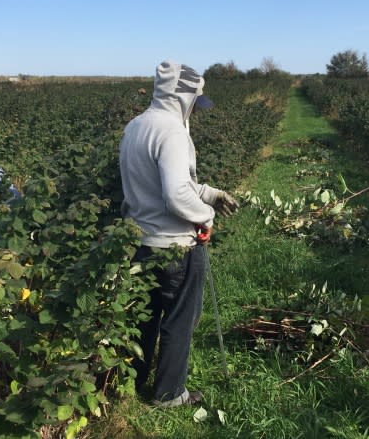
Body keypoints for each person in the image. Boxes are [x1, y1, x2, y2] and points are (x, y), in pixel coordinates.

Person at [119, 60, 239, 408]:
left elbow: (165, 183)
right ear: (181, 95)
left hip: (142, 245)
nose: (195, 112)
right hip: (177, 248)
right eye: (194, 102)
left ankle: (133, 379)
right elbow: (175, 195)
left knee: (146, 316)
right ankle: (170, 393)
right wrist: (207, 216)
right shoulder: (171, 131)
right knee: (180, 320)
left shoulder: (137, 126)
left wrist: (211, 192)